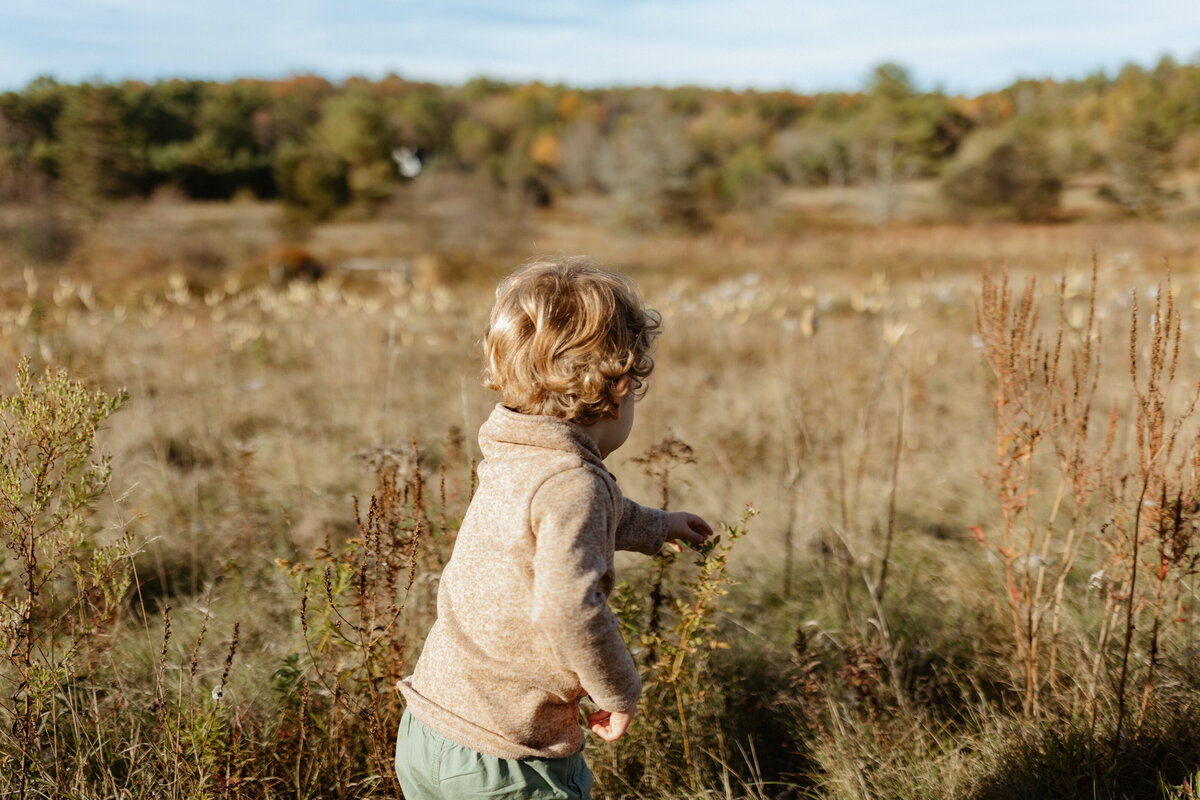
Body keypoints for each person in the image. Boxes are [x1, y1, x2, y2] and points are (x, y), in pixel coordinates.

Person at [395, 256, 713, 799]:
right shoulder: (573, 484)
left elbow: (565, 522)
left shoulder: (515, 454)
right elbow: (569, 607)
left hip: (429, 728)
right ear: (615, 389)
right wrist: (617, 690)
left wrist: (658, 526)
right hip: (507, 760)